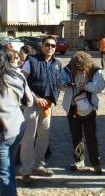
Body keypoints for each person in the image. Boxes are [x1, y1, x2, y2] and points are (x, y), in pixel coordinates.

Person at [0, 43, 33, 196]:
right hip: (17, 127)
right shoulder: (17, 75)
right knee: (8, 169)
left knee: (3, 174)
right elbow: (28, 101)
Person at [19, 35, 62, 183]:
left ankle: (39, 165)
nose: (50, 47)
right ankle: (26, 169)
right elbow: (21, 82)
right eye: (47, 45)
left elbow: (58, 83)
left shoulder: (57, 63)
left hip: (47, 106)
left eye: (53, 46)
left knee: (44, 137)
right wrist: (34, 98)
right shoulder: (31, 61)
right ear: (41, 46)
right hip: (32, 104)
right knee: (28, 138)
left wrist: (53, 99)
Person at [60, 51, 105, 174]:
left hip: (89, 108)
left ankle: (96, 163)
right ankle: (79, 161)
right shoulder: (68, 69)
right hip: (72, 107)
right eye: (77, 67)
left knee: (91, 136)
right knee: (76, 136)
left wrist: (87, 86)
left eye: (81, 67)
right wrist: (66, 85)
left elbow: (101, 85)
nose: (79, 69)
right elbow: (60, 82)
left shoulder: (94, 70)